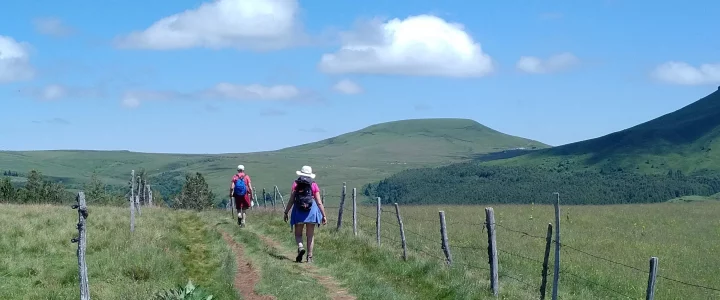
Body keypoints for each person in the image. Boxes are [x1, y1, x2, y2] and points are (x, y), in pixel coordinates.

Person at [283, 165, 327, 263]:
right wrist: (323, 215)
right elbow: (319, 202)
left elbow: (291, 200)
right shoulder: (314, 184)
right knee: (310, 235)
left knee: (298, 234)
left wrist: (286, 212)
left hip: (298, 210)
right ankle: (309, 257)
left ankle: (300, 246)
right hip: (311, 211)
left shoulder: (296, 184)